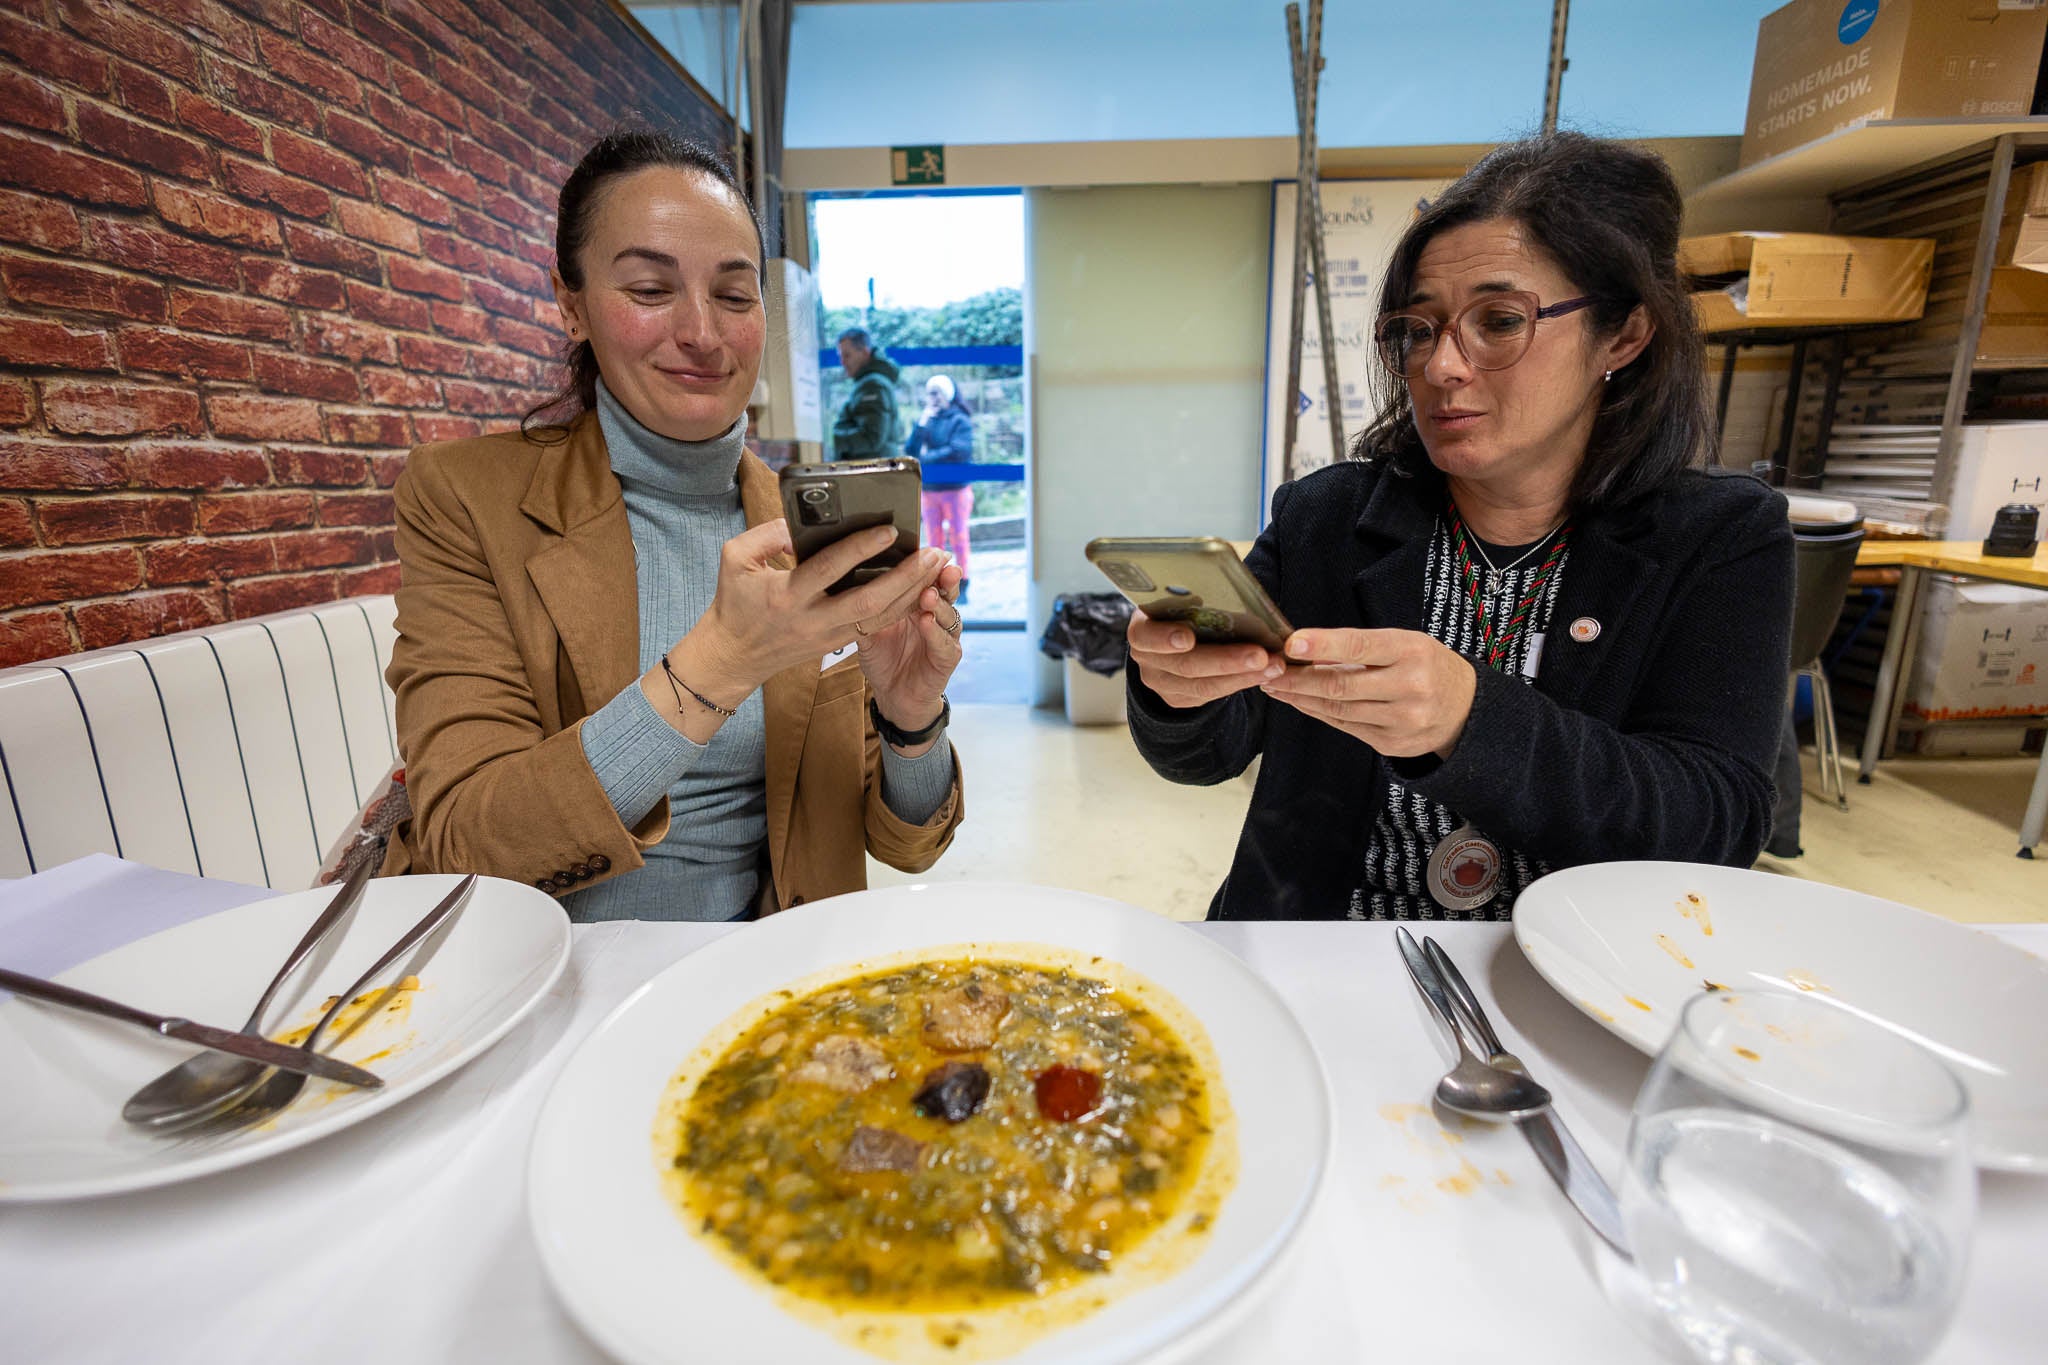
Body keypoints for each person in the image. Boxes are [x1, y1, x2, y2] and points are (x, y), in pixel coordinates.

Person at [1125, 132, 1793, 922]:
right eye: (1418, 329)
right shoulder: (1330, 517)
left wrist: (1472, 720)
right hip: (1322, 947)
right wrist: (1179, 694)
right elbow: (1208, 752)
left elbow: (1717, 821)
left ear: (1623, 335)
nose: (1442, 366)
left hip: (1571, 966)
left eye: (1499, 321)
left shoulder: (1718, 537)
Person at [380, 129, 967, 921]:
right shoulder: (466, 499)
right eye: (651, 291)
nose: (702, 332)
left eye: (733, 295)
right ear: (572, 303)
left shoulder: (803, 524)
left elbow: (908, 843)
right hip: (553, 977)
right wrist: (721, 662)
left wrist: (909, 717)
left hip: (766, 981)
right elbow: (466, 841)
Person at [906, 374, 977, 603]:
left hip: (955, 489)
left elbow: (959, 450)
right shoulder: (928, 420)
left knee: (959, 536)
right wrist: (921, 423)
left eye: (936, 393)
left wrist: (928, 457)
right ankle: (938, 580)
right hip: (930, 490)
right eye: (929, 393)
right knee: (934, 538)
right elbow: (911, 451)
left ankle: (963, 582)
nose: (932, 398)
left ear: (947, 394)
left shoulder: (960, 420)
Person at [832, 327, 903, 461]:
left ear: (865, 352)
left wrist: (833, 439)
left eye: (847, 355)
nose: (842, 362)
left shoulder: (872, 385)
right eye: (840, 356)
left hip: (871, 475)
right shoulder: (869, 382)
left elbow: (871, 438)